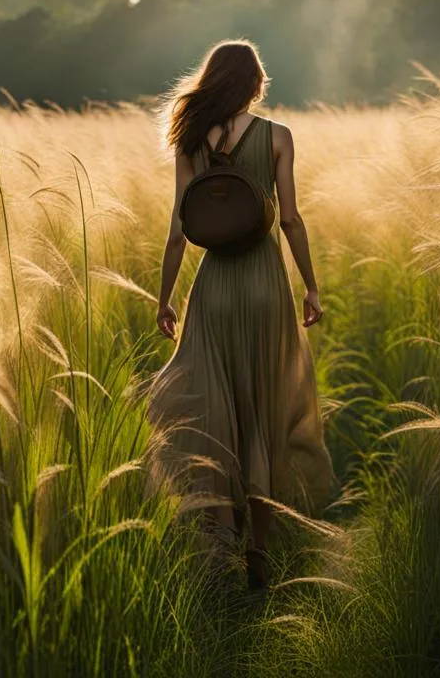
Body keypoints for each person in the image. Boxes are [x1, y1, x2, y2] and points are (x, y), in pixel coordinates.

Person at [147, 40, 335, 591]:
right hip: (264, 284)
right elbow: (291, 221)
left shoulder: (188, 139)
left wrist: (164, 299)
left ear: (212, 80)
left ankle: (221, 546)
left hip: (215, 287)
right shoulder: (277, 136)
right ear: (255, 83)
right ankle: (260, 551)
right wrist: (312, 287)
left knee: (213, 411)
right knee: (264, 408)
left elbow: (179, 231)